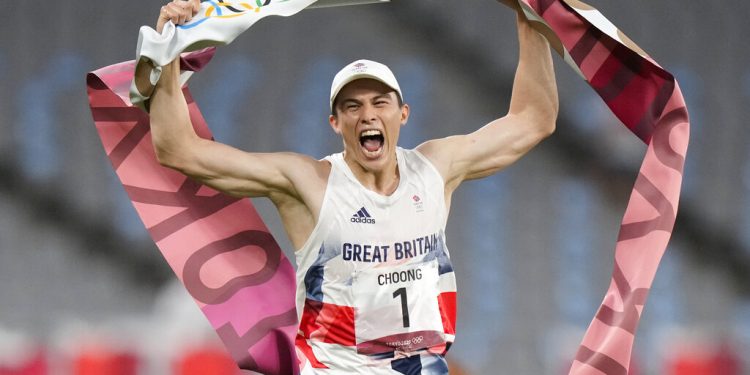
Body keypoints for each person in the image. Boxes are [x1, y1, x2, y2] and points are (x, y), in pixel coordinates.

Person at [145, 0, 557, 373]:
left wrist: (530, 14)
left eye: (380, 103)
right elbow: (178, 151)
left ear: (403, 114)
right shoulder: (307, 182)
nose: (368, 115)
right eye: (352, 106)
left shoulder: (436, 168)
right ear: (335, 123)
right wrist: (168, 50)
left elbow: (534, 118)